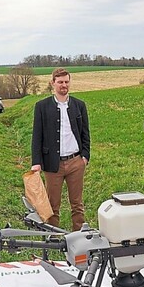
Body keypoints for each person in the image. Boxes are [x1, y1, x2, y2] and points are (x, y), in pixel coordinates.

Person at [31, 68, 90, 231]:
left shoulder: (79, 105)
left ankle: (78, 236)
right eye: (60, 82)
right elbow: (37, 136)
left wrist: (85, 156)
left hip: (75, 162)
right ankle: (53, 236)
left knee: (77, 204)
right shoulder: (42, 107)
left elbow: (85, 133)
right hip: (52, 165)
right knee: (52, 205)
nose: (64, 85)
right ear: (53, 83)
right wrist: (36, 162)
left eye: (66, 81)